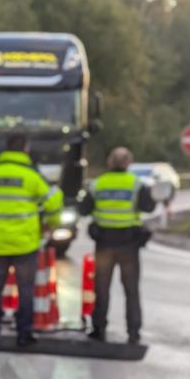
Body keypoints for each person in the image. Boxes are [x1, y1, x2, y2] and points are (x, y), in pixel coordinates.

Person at [0, 134, 63, 346]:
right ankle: (24, 334)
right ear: (26, 149)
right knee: (26, 289)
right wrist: (51, 224)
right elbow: (53, 201)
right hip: (25, 244)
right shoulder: (31, 175)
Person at [79, 147, 156, 345]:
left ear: (109, 162)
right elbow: (149, 207)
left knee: (101, 289)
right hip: (129, 245)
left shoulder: (98, 184)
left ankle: (99, 329)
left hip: (104, 243)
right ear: (128, 163)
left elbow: (84, 209)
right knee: (131, 290)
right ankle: (133, 332)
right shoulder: (136, 185)